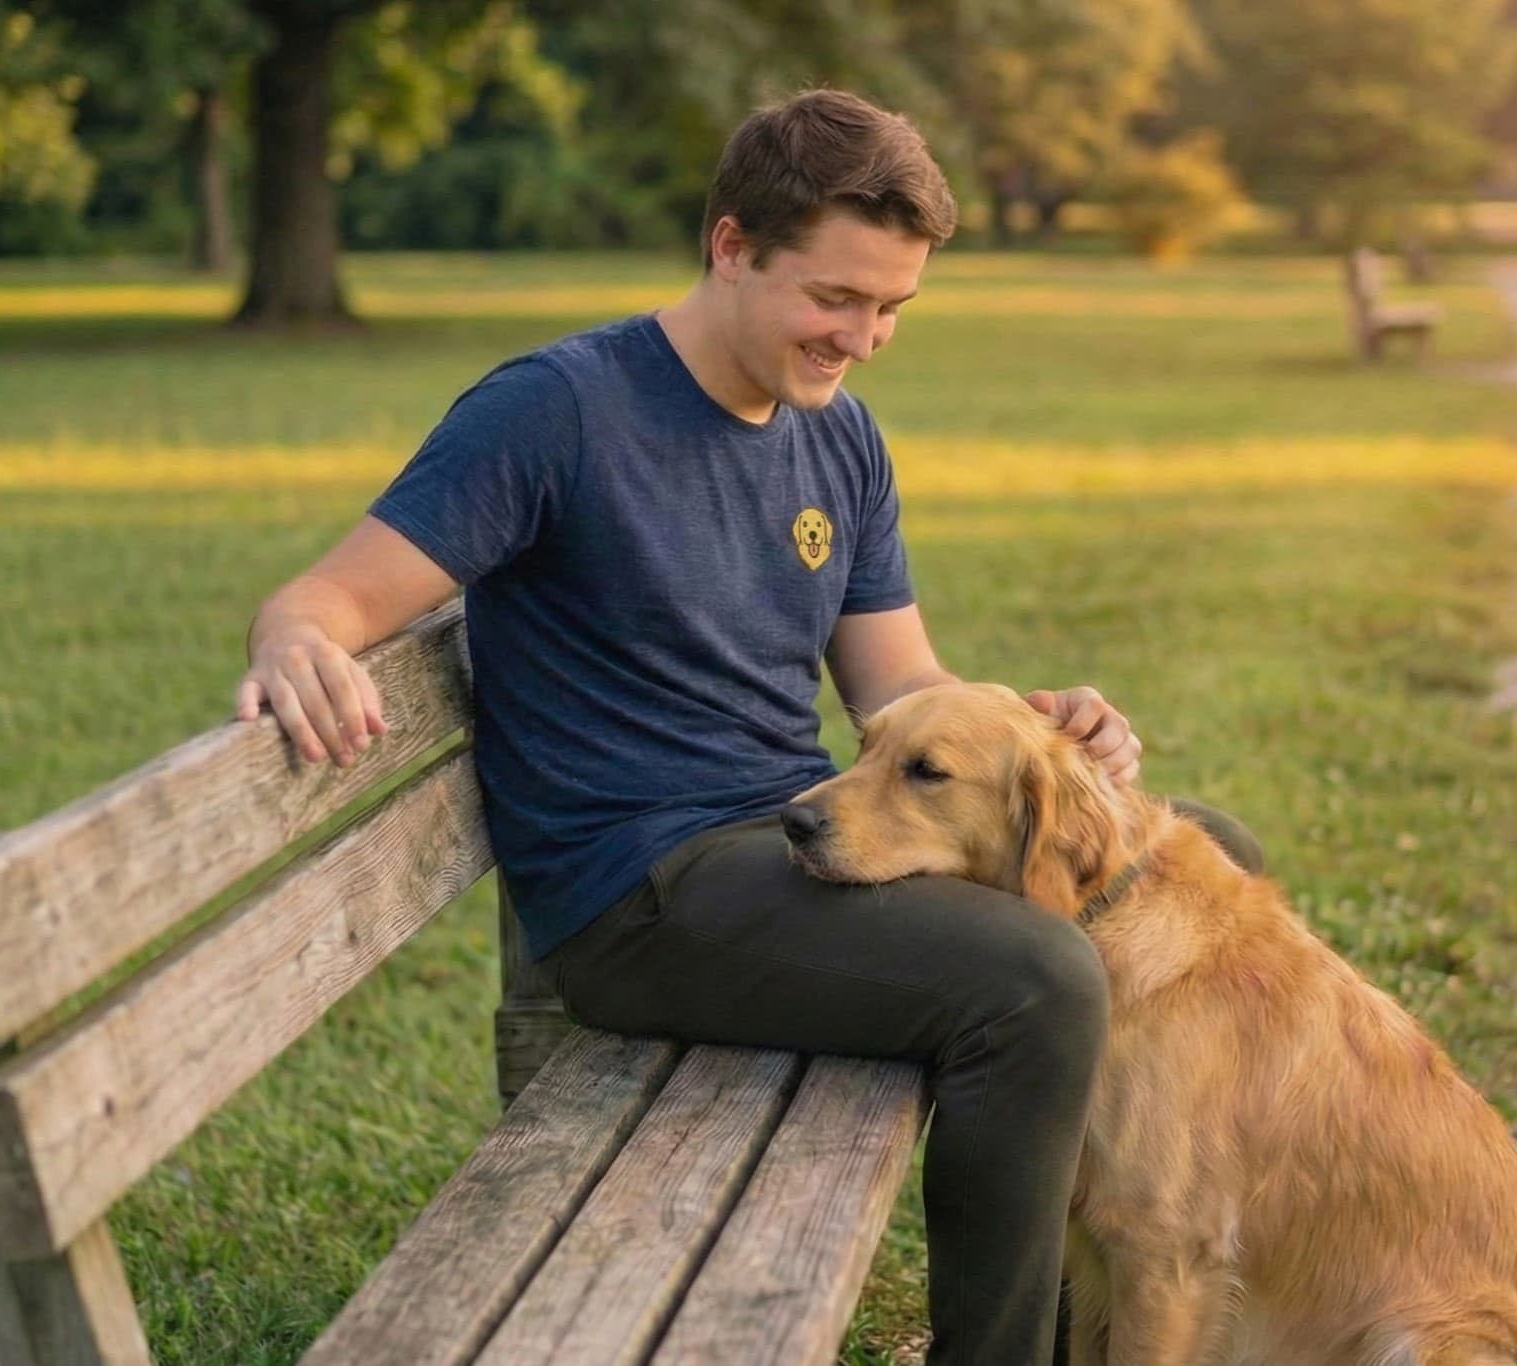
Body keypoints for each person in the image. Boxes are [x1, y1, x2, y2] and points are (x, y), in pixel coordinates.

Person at [235, 88, 1259, 1366]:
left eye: (892, 308)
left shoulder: (837, 438)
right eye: (837, 298)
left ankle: (1145, 1251)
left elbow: (901, 686)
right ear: (731, 246)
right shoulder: (557, 410)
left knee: (1200, 846)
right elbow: (331, 594)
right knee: (1035, 978)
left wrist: (1036, 731)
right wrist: (296, 635)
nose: (867, 336)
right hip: (642, 895)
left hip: (795, 842)